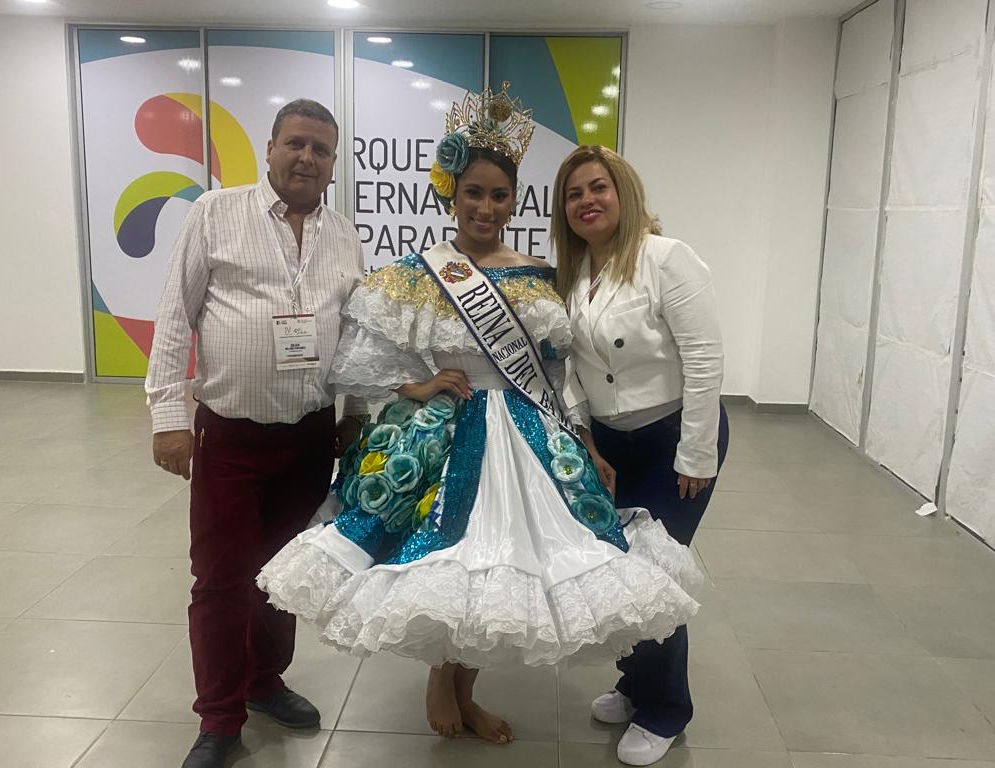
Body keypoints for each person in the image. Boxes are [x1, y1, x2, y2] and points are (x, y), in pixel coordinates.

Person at [257, 83, 703, 746]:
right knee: (449, 556)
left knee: (503, 563)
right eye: (473, 193)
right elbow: (364, 357)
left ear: (513, 202)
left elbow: (561, 374)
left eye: (499, 195)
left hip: (526, 435)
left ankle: (467, 691)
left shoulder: (539, 277)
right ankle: (442, 680)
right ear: (451, 195)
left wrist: (583, 440)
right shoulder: (417, 274)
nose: (485, 208)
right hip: (446, 431)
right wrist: (417, 385)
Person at [145, 99, 367, 768]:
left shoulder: (344, 235)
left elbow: (358, 334)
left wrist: (355, 413)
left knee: (283, 575)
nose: (306, 158)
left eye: (321, 149)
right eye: (295, 143)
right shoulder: (215, 213)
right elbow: (175, 315)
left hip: (310, 439)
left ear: (333, 164)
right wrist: (168, 418)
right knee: (221, 580)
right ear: (270, 148)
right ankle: (219, 718)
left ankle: (265, 681)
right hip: (230, 437)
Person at [551, 145, 728, 766]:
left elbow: (704, 359)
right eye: (574, 193)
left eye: (598, 187)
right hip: (609, 445)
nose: (587, 201)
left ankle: (666, 709)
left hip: (672, 437)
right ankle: (635, 684)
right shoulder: (573, 274)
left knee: (655, 574)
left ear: (623, 192)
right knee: (616, 569)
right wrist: (587, 440)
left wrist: (695, 453)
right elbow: (568, 368)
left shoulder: (666, 258)